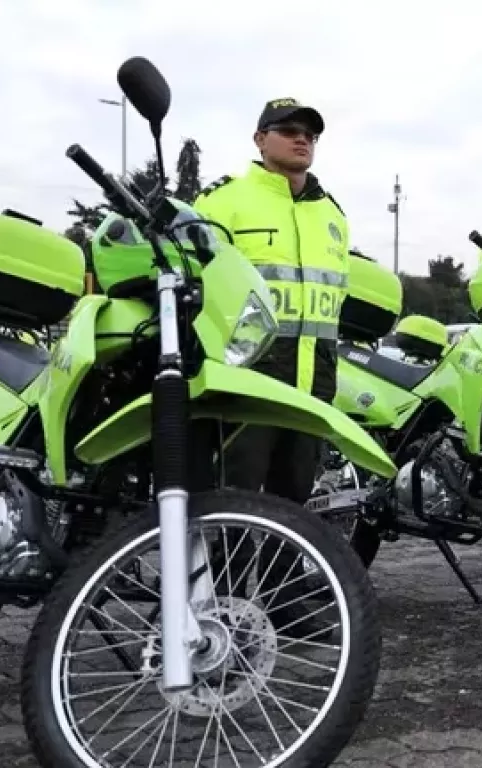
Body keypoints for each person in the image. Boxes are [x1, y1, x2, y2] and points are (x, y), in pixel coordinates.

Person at [193, 97, 349, 634]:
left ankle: (284, 606)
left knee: (295, 499)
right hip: (250, 377)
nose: (301, 139)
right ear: (260, 139)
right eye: (287, 130)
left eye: (309, 133)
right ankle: (229, 609)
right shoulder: (224, 202)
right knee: (238, 500)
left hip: (313, 380)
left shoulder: (333, 215)